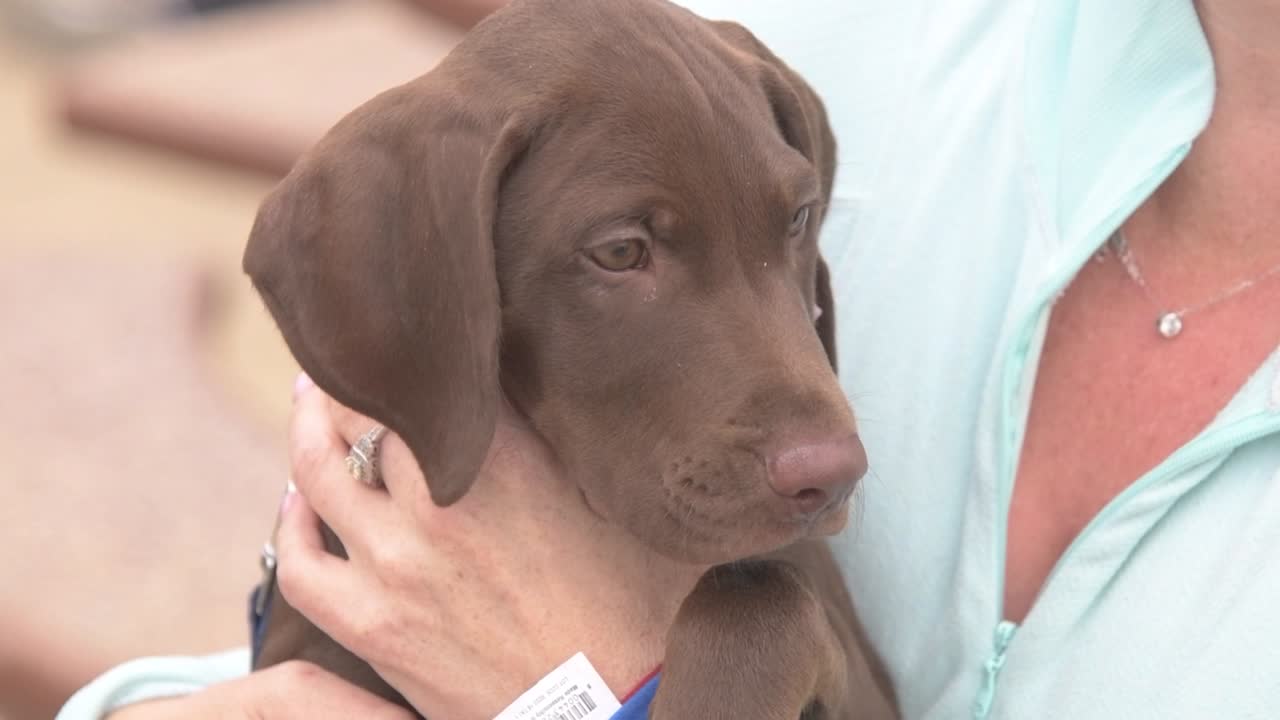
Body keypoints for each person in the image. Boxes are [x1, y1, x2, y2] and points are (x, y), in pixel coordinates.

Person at [59, 0, 1280, 717]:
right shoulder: (863, 39)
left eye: (792, 232)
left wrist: (583, 694)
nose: (825, 441)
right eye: (628, 250)